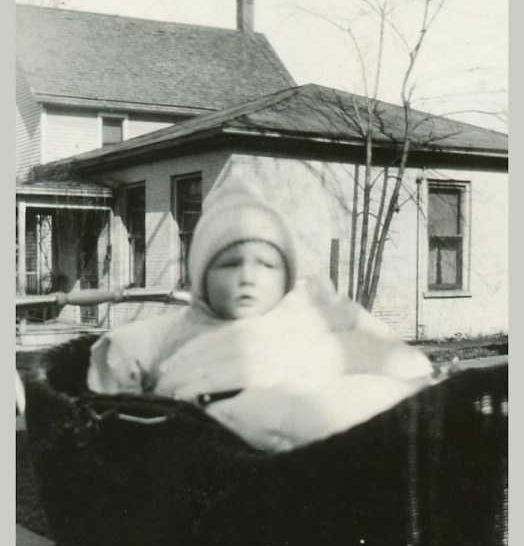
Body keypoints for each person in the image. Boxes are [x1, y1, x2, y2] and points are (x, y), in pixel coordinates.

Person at [88, 184, 433, 450]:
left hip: (317, 416)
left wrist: (412, 382)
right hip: (223, 432)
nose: (248, 277)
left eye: (266, 265)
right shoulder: (178, 328)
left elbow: (390, 354)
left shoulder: (309, 310)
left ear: (286, 276)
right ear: (202, 275)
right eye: (230, 264)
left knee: (367, 399)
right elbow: (116, 359)